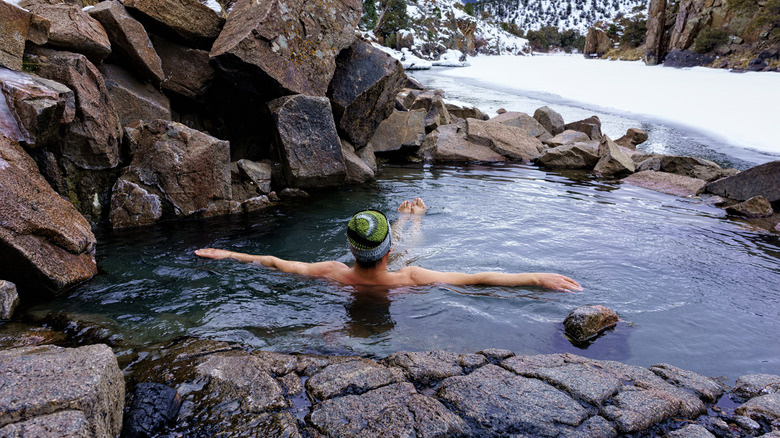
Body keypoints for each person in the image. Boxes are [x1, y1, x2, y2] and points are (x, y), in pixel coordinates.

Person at [195, 198, 582, 292]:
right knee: (409, 249)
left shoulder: (332, 271)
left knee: (402, 249)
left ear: (350, 249)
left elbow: (274, 262)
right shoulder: (409, 277)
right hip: (391, 272)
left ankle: (405, 218)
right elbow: (476, 279)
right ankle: (411, 218)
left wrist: (229, 253)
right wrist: (533, 277)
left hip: (366, 267)